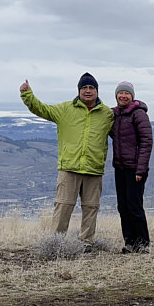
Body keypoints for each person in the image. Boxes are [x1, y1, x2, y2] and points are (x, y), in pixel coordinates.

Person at [19, 73, 114, 250]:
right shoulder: (65, 109)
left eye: (91, 87)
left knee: (91, 207)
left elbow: (123, 133)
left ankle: (86, 243)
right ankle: (56, 244)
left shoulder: (107, 114)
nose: (87, 91)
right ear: (78, 91)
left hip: (94, 169)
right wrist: (27, 95)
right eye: (84, 88)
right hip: (69, 167)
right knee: (63, 206)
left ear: (97, 91)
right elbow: (42, 109)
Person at [110, 81, 153, 253]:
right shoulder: (115, 115)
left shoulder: (139, 114)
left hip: (135, 168)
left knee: (134, 206)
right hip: (120, 168)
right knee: (123, 207)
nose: (123, 96)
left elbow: (146, 142)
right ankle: (130, 241)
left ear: (132, 96)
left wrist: (140, 169)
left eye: (126, 93)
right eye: (120, 93)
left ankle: (143, 243)